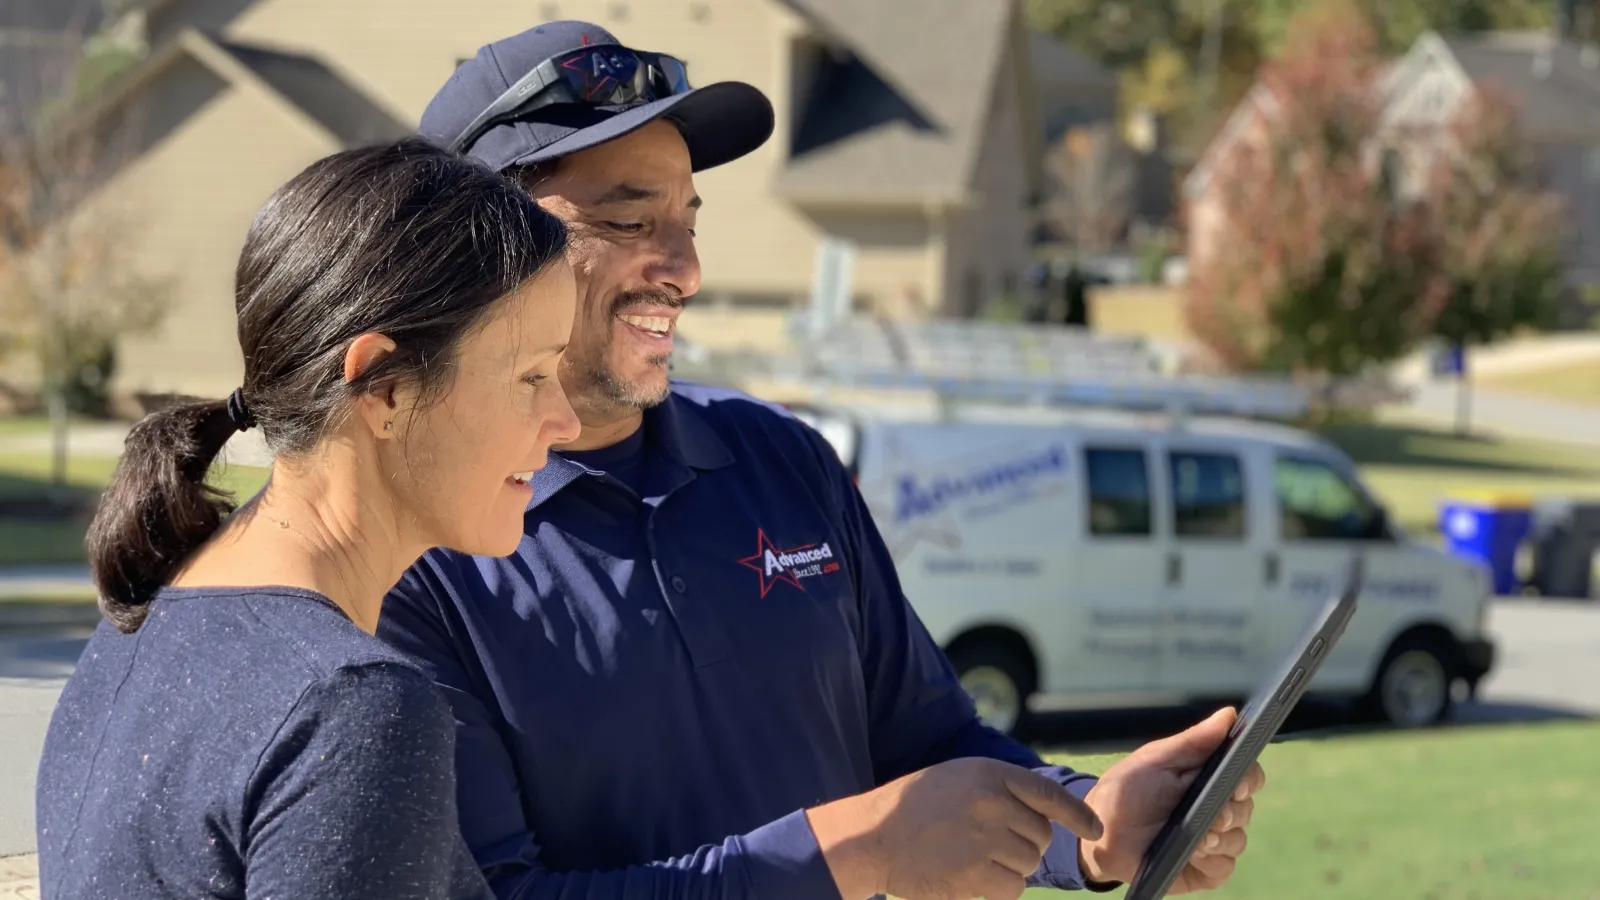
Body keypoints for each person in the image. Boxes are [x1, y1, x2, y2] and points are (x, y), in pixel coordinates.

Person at [380, 21, 1264, 900]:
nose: (684, 268)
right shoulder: (414, 555)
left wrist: (1092, 827)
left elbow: (926, 740)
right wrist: (853, 854)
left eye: (688, 219)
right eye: (627, 219)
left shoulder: (783, 458)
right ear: (478, 249)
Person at [34, 139, 580, 900]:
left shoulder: (150, 619)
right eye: (531, 375)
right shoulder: (349, 705)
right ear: (383, 385)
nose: (566, 422)